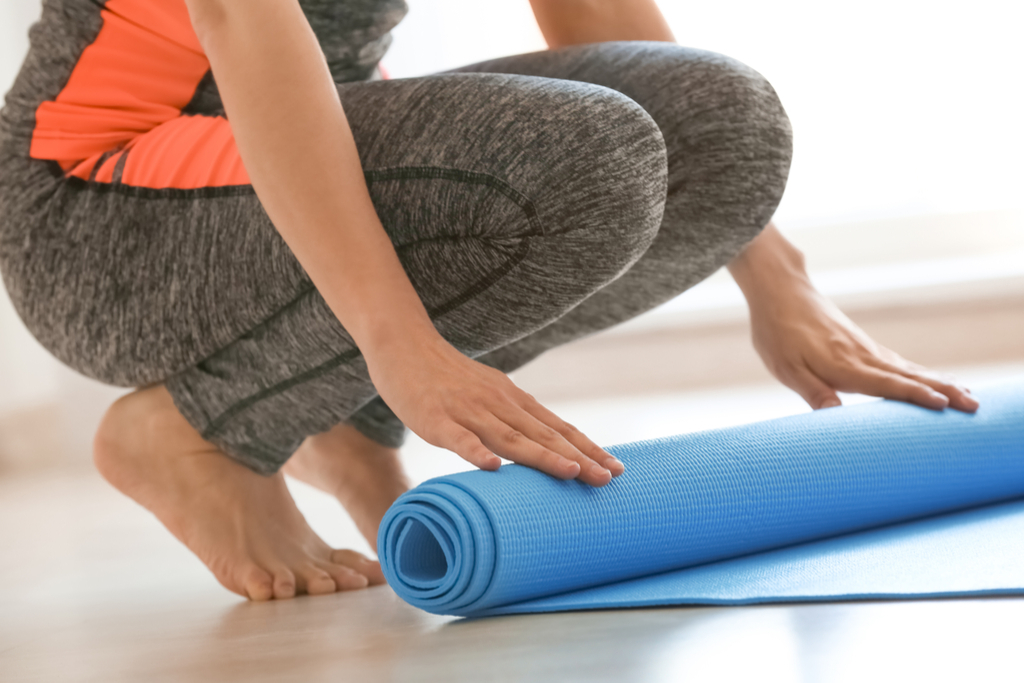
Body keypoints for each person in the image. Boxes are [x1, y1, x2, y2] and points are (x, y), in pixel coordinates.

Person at [0, 0, 978, 602]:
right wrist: (392, 336)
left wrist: (775, 277)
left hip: (280, 180)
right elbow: (240, 17)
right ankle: (198, 425)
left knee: (728, 128)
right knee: (580, 157)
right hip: (95, 214)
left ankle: (330, 411)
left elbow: (589, 4)